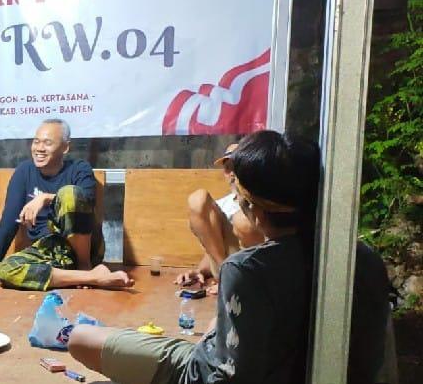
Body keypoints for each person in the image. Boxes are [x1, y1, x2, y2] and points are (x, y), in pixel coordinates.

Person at [68, 130, 391, 384]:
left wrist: (214, 331)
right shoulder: (359, 258)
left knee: (81, 338)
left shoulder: (248, 269)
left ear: (252, 209)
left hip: (200, 371)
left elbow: (229, 375)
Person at [0, 119, 132, 289]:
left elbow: (87, 200)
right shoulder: (24, 171)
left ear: (65, 147)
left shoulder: (79, 168)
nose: (39, 148)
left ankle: (84, 266)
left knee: (69, 193)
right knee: (7, 269)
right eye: (36, 142)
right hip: (48, 251)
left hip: (84, 248)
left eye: (47, 143)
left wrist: (45, 198)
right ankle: (91, 277)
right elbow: (10, 217)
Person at [175, 143, 265, 293]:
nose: (232, 173)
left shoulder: (262, 202)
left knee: (243, 220)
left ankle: (234, 279)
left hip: (254, 273)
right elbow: (218, 247)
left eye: (237, 167)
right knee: (198, 198)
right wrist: (200, 271)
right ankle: (226, 275)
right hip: (226, 269)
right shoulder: (220, 205)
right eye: (227, 168)